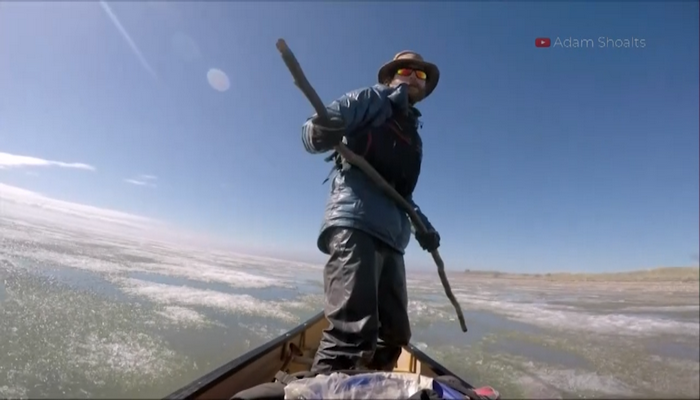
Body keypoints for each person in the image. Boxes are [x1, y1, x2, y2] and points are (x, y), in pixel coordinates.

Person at [300, 51, 442, 374]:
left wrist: (424, 228)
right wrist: (321, 132)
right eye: (407, 70)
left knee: (394, 336)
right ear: (391, 77)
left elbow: (404, 196)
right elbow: (311, 129)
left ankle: (370, 387)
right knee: (351, 333)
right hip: (355, 222)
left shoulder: (413, 136)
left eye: (421, 75)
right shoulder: (370, 98)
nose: (414, 78)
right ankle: (323, 392)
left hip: (393, 238)